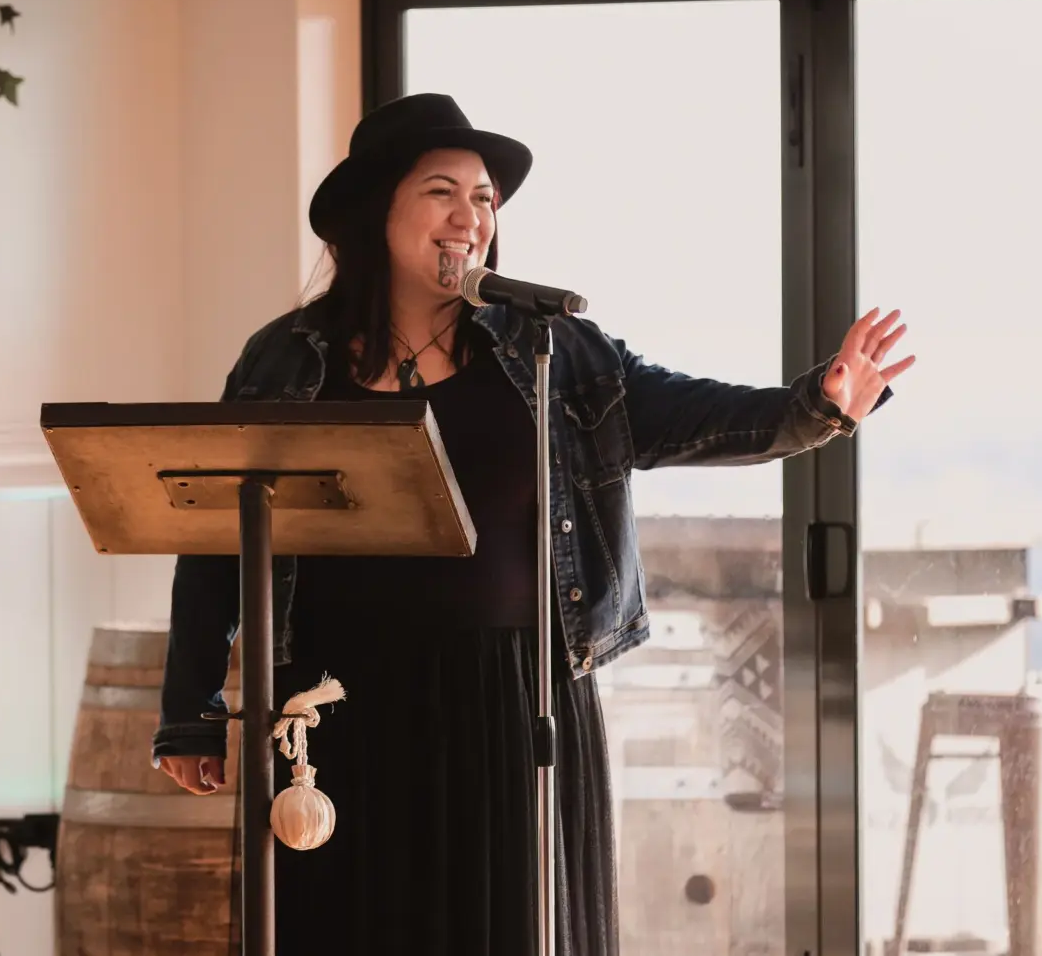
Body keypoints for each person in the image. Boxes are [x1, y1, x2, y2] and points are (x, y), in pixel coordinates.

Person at [152, 93, 914, 956]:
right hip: (336, 709)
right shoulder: (285, 360)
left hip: (514, 703)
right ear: (375, 213)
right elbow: (216, 538)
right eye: (441, 192)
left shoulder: (551, 349)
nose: (470, 217)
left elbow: (686, 416)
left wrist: (815, 406)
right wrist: (190, 709)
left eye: (484, 199)